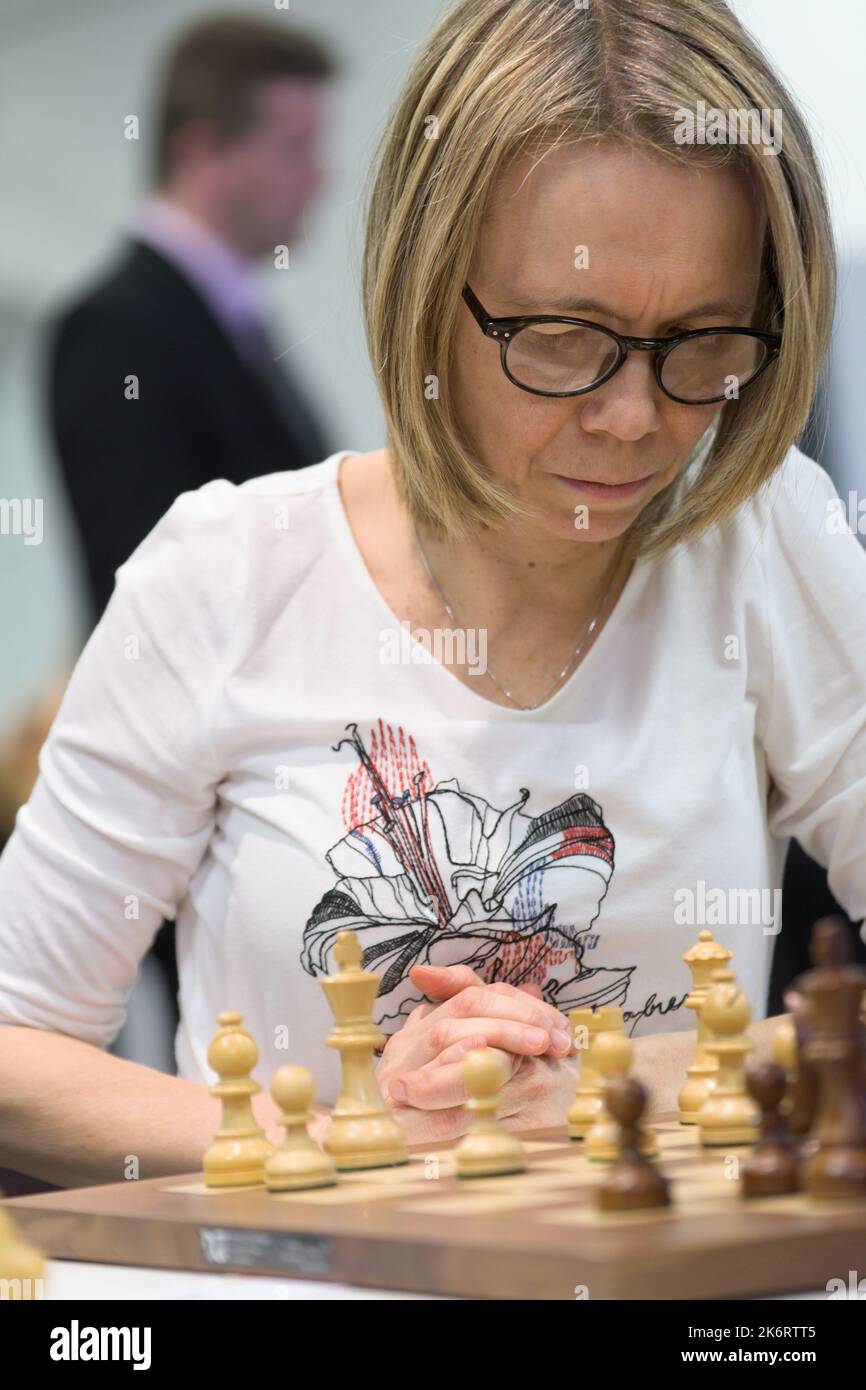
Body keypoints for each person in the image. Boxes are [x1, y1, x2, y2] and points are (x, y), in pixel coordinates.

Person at [2, 0, 863, 1190]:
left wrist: (601, 1083)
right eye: (562, 338)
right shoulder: (225, 575)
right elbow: (14, 1051)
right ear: (424, 284)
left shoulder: (763, 540)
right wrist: (353, 1135)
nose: (632, 418)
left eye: (704, 340)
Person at [48, 14, 336, 621]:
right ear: (200, 154)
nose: (320, 176)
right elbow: (143, 582)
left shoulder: (230, 316)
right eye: (295, 148)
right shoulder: (113, 330)